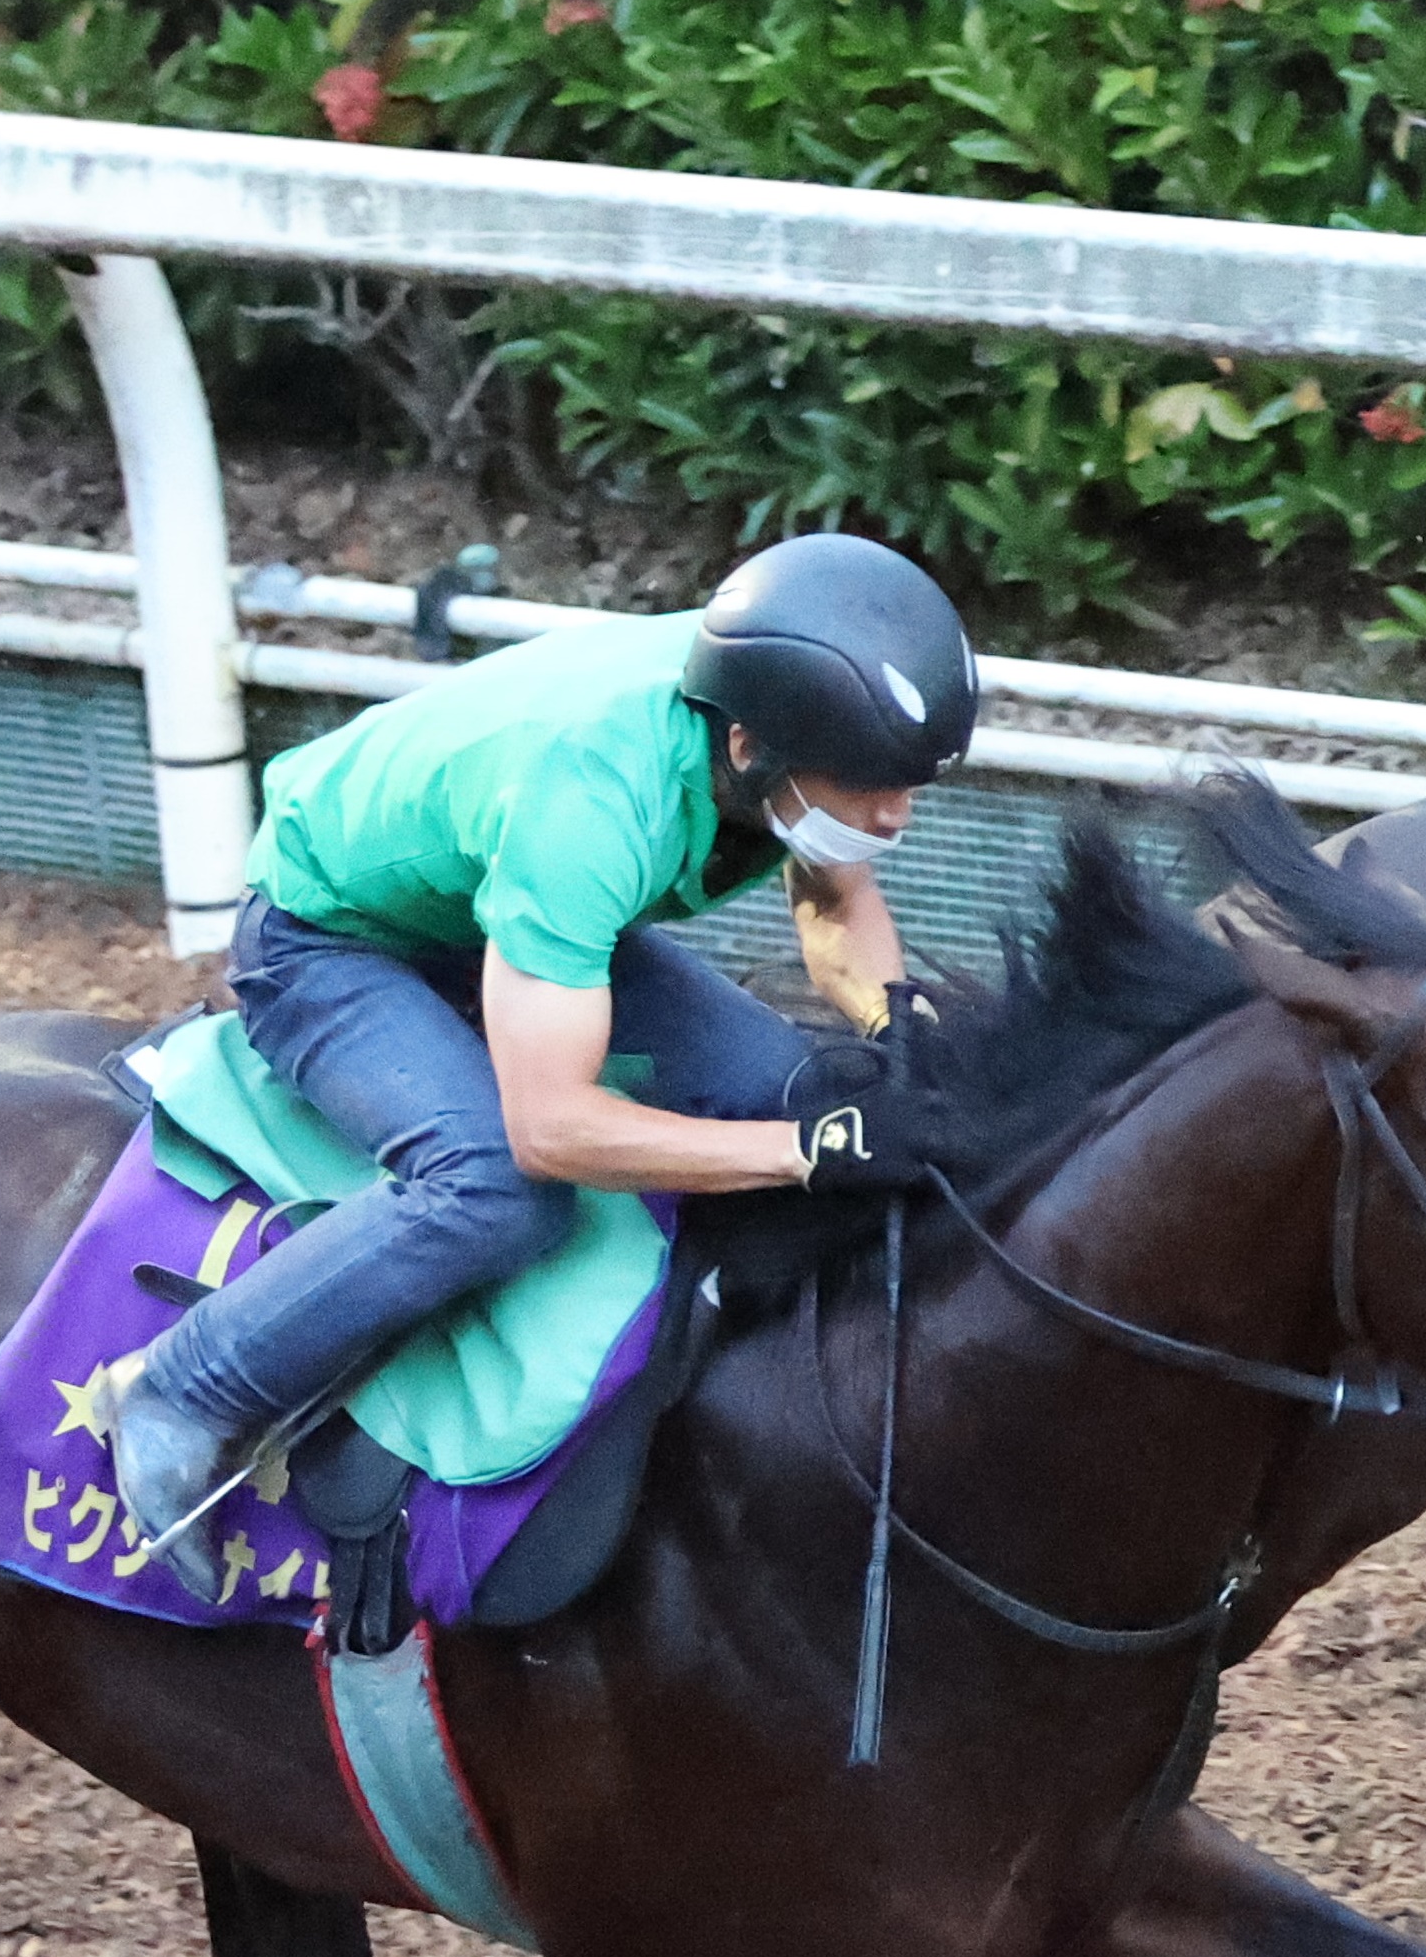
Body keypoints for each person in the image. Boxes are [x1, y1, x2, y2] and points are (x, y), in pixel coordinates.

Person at [108, 532, 980, 1550]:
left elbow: (835, 908)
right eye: (872, 787)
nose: (896, 814)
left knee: (782, 1081)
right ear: (748, 748)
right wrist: (808, 1150)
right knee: (495, 1190)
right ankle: (183, 1386)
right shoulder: (590, 802)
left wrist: (906, 1038)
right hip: (327, 940)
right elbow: (550, 1130)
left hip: (496, 914)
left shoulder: (770, 695)